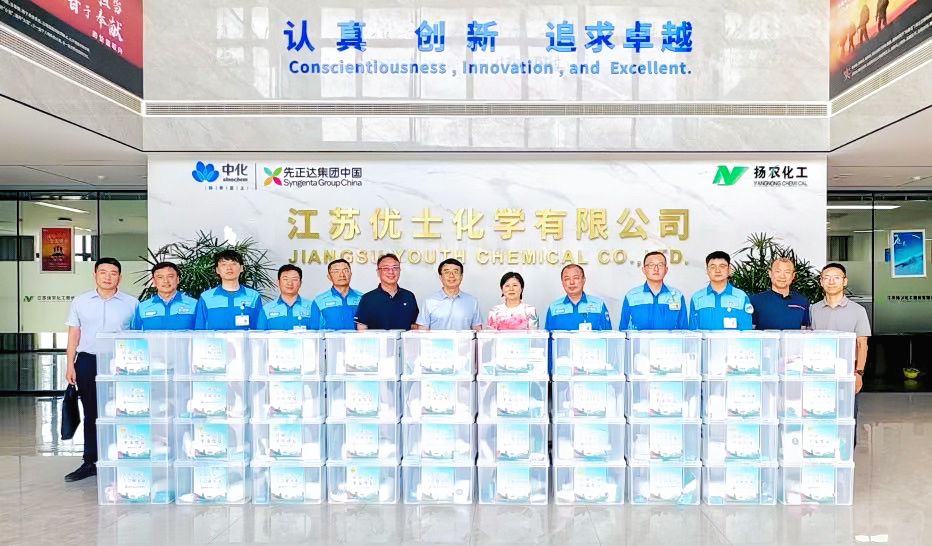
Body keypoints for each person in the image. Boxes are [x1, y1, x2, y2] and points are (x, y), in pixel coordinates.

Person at [64, 257, 138, 482]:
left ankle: (120, 458)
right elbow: (74, 334)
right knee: (92, 412)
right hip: (88, 360)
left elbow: (138, 336)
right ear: (94, 275)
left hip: (122, 361)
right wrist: (70, 364)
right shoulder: (80, 301)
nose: (108, 277)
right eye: (103, 272)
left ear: (120, 277)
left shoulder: (132, 303)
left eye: (113, 273)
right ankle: (90, 462)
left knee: (123, 411)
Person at [810, 263, 870, 397]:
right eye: (827, 278)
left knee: (847, 407)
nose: (831, 282)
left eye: (836, 278)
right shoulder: (813, 309)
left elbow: (862, 344)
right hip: (819, 371)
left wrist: (858, 373)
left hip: (847, 372)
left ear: (845, 281)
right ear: (821, 282)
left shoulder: (858, 310)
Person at [194, 249, 262, 330]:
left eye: (233, 264)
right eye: (224, 264)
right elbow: (199, 329)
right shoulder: (206, 297)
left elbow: (259, 328)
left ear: (241, 268)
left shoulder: (253, 296)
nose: (229, 268)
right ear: (217, 270)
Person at [619, 251, 688, 330]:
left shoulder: (677, 296)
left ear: (666, 270)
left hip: (669, 339)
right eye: (651, 265)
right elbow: (623, 330)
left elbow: (684, 330)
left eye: (660, 265)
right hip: (639, 339)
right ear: (644, 270)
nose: (656, 269)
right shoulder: (631, 296)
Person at [689, 251, 753, 330]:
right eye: (713, 267)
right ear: (707, 270)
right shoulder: (697, 298)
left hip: (733, 339)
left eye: (722, 266)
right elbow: (693, 331)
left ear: (729, 269)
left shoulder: (741, 297)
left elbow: (746, 331)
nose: (717, 271)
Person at [354, 253, 419, 330]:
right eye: (386, 268)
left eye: (395, 268)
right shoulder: (367, 299)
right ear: (378, 272)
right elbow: (362, 328)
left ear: (399, 271)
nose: (391, 272)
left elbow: (414, 325)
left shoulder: (409, 296)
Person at [416, 258, 482, 331]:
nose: (451, 276)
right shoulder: (429, 302)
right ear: (441, 277)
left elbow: (477, 330)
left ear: (461, 276)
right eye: (447, 272)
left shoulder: (472, 301)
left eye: (455, 272)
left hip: (464, 339)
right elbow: (422, 331)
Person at [130, 261, 197, 330]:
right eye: (160, 277)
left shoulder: (194, 304)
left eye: (170, 276)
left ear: (177, 279)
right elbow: (136, 334)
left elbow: (200, 332)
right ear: (154, 281)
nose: (166, 281)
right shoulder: (143, 307)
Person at [544, 264, 612, 331]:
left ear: (583, 280)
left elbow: (608, 334)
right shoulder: (554, 307)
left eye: (576, 278)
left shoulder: (598, 305)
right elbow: (548, 336)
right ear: (562, 283)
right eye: (567, 279)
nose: (572, 282)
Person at [749, 257, 811, 330]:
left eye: (787, 272)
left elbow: (804, 330)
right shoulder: (755, 301)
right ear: (770, 273)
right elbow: (749, 331)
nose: (782, 276)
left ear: (793, 276)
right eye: (778, 271)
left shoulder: (802, 301)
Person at [308, 259, 363, 330]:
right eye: (336, 271)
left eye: (345, 271)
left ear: (350, 274)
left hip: (356, 337)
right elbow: (314, 331)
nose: (342, 275)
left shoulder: (363, 298)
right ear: (329, 277)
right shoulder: (319, 301)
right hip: (330, 337)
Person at [257, 264, 315, 330]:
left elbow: (318, 333)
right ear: (278, 282)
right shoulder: (266, 309)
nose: (290, 283)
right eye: (285, 279)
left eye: (294, 279)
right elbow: (260, 335)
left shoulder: (312, 307)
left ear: (300, 283)